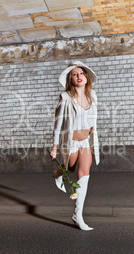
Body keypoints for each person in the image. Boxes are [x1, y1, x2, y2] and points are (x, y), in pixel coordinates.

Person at [50, 61, 100, 231]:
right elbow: (58, 124)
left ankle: (77, 215)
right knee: (69, 169)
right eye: (75, 74)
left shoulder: (92, 95)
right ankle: (57, 173)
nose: (79, 77)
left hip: (86, 141)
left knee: (84, 175)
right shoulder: (65, 98)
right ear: (70, 79)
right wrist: (55, 147)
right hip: (71, 141)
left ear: (86, 77)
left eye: (81, 73)